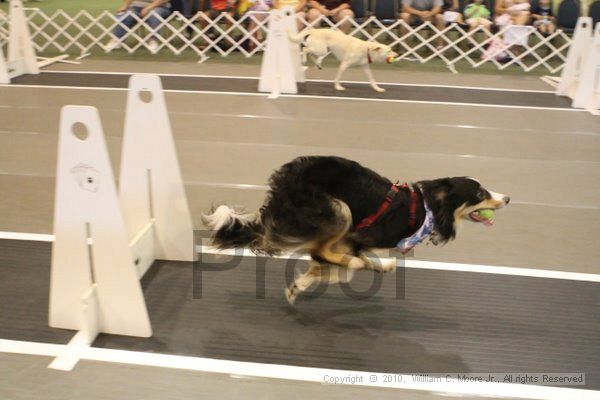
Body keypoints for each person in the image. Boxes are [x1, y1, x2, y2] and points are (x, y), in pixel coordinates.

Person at [106, 0, 172, 54]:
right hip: (136, 7)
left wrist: (149, 8)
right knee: (125, 15)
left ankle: (153, 40)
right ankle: (117, 39)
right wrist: (125, 6)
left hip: (159, 7)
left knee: (154, 14)